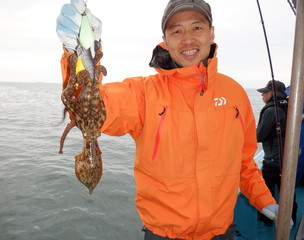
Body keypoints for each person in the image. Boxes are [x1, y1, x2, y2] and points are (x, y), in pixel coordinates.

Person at [56, 0, 282, 239]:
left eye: (197, 28)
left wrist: (264, 199)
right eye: (176, 31)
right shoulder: (143, 93)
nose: (187, 39)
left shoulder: (235, 93)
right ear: (165, 40)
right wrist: (81, 53)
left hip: (222, 231)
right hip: (162, 234)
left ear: (211, 33)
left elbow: (244, 163)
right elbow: (89, 109)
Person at [256, 80, 297, 225]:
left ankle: (265, 222)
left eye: (264, 93)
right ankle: (290, 219)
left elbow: (259, 136)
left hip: (273, 161)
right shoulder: (289, 107)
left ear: (272, 93)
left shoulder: (271, 110)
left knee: (267, 193)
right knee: (288, 193)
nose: (262, 97)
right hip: (288, 159)